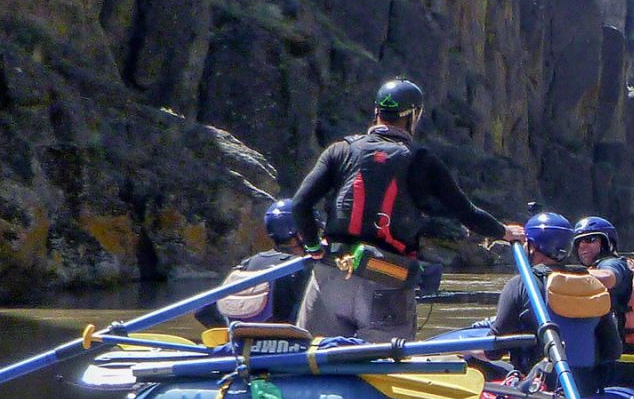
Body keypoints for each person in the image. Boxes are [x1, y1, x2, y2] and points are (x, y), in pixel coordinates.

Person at [288, 79, 525, 342]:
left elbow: (300, 205)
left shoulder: (340, 150)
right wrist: (503, 232)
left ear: (376, 111)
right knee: (385, 373)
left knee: (313, 359)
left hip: (331, 274)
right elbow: (466, 212)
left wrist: (313, 247)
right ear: (413, 116)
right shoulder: (423, 161)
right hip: (387, 279)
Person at [487, 211, 622, 390]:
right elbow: (612, 350)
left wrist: (469, 352)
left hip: (538, 384)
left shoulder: (520, 284)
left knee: (472, 361)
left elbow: (493, 349)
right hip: (586, 385)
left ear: (532, 247)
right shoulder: (591, 284)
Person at [201, 198, 312, 327]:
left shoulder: (247, 265)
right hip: (290, 340)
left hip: (243, 339)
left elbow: (203, 311)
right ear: (300, 233)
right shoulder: (304, 268)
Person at [570, 215, 634, 352]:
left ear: (607, 243)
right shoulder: (596, 267)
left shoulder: (613, 264)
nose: (582, 246)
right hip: (614, 355)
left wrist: (564, 274)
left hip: (620, 360)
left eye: (590, 240)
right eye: (578, 242)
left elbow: (608, 277)